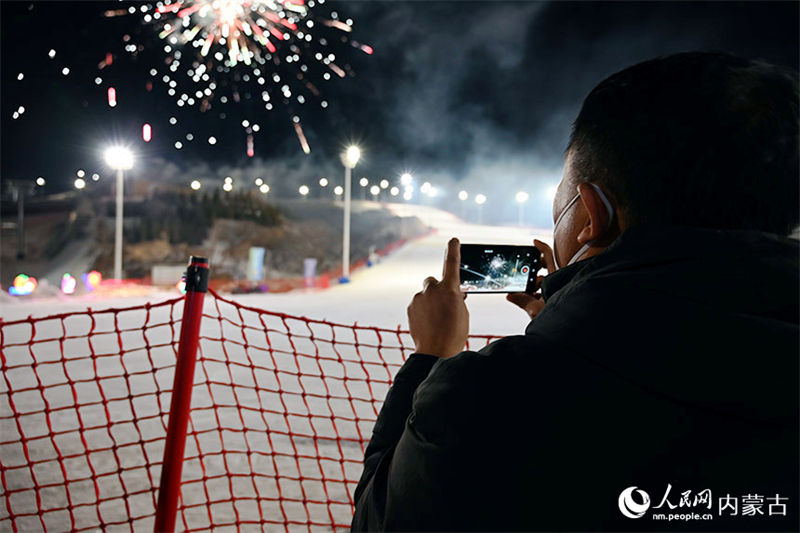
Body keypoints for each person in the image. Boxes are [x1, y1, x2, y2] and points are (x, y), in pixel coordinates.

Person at [350, 51, 798, 531]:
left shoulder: (487, 401)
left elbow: (381, 521)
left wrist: (431, 358)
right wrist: (566, 325)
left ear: (590, 214)